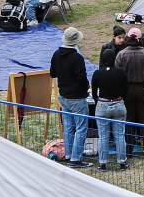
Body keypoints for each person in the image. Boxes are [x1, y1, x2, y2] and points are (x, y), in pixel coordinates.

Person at [50, 27, 91, 168]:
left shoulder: (56, 54)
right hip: (77, 98)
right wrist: (87, 87)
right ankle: (76, 158)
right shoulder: (77, 58)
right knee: (81, 128)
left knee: (68, 126)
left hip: (64, 96)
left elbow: (52, 73)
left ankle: (68, 155)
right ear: (76, 41)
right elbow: (82, 78)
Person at [114, 28, 144, 154]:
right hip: (143, 89)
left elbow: (118, 75)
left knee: (129, 119)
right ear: (139, 38)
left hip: (127, 91)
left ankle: (128, 150)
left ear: (127, 38)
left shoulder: (121, 54)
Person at [91, 49, 129, 171]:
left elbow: (93, 91)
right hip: (118, 104)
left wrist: (98, 101)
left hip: (103, 104)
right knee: (119, 135)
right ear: (114, 59)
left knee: (103, 136)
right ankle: (122, 162)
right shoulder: (121, 73)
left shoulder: (97, 73)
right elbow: (126, 90)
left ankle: (103, 163)